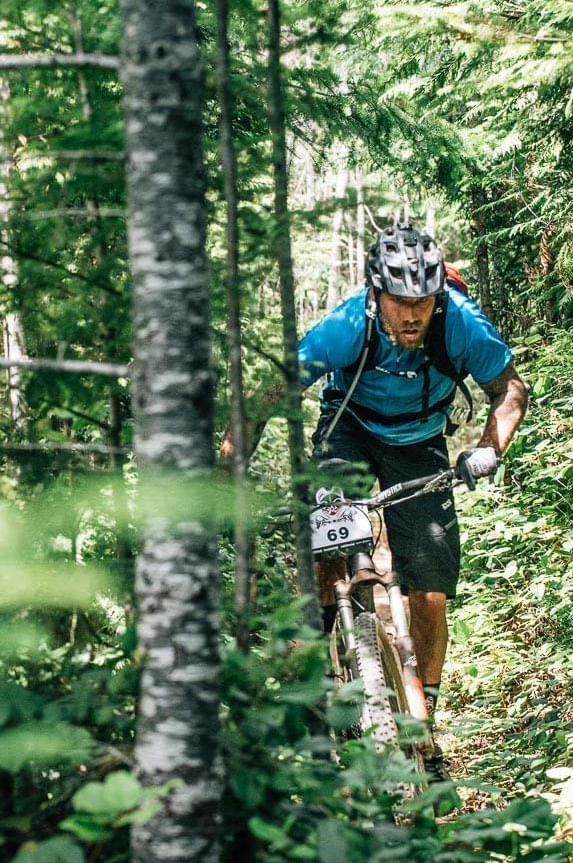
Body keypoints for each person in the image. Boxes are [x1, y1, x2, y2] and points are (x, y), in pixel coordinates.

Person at [225, 224, 528, 777]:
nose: (412, 315)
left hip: (419, 442)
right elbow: (274, 390)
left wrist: (489, 449)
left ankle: (425, 724)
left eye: (422, 301)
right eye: (399, 302)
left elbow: (509, 390)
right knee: (329, 540)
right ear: (375, 293)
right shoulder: (345, 326)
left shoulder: (459, 322)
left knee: (431, 588)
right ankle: (319, 672)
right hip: (349, 430)